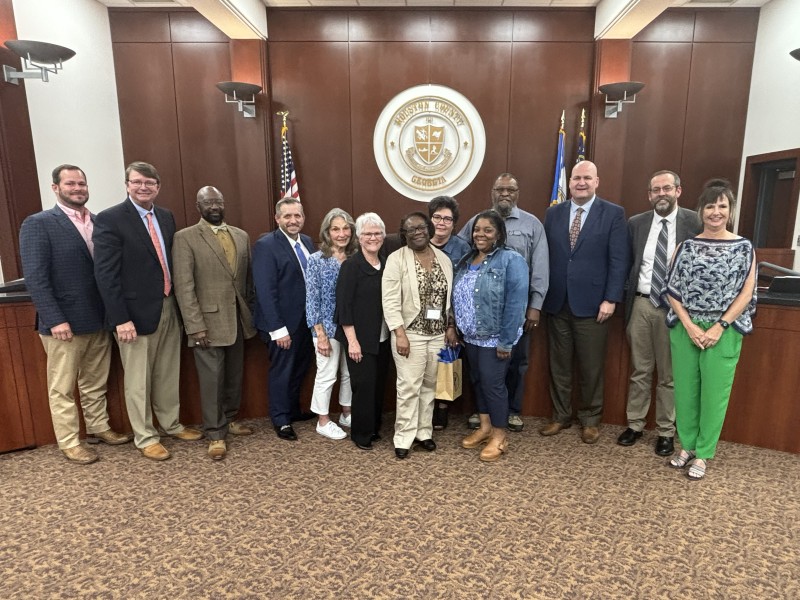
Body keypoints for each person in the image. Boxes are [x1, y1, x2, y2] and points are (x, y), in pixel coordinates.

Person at [19, 164, 132, 464]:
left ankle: (98, 428)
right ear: (55, 187)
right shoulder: (39, 223)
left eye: (81, 183)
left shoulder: (98, 221)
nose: (78, 188)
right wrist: (54, 318)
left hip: (98, 317)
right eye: (70, 184)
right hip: (63, 323)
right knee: (63, 387)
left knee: (95, 381)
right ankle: (69, 442)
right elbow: (36, 277)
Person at [93, 161, 202, 462]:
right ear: (127, 184)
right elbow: (105, 275)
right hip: (132, 315)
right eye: (138, 182)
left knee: (168, 372)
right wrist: (120, 318)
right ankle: (145, 436)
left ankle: (171, 424)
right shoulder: (111, 219)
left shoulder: (166, 217)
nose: (144, 187)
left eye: (150, 183)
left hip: (168, 305)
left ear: (158, 187)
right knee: (138, 379)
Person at [664, 178, 756, 480]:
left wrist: (719, 326)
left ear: (730, 211)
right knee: (686, 392)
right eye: (710, 206)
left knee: (714, 395)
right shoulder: (686, 246)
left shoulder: (743, 248)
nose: (715, 212)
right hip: (686, 328)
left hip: (723, 331)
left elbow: (746, 293)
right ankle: (687, 446)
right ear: (701, 210)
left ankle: (704, 453)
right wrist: (690, 326)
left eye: (722, 206)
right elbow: (672, 289)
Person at [539, 160, 629, 444]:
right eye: (576, 178)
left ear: (596, 182)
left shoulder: (613, 213)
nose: (581, 183)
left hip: (594, 305)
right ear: (569, 183)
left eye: (586, 178)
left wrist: (611, 298)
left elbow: (619, 260)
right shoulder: (553, 214)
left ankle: (590, 420)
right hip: (557, 302)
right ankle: (560, 416)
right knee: (559, 364)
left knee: (591, 366)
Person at [619, 171, 701, 456]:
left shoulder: (694, 221)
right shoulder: (636, 223)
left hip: (675, 308)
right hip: (641, 304)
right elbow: (627, 263)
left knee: (669, 374)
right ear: (649, 194)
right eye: (656, 190)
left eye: (667, 188)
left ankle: (666, 431)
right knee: (640, 370)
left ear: (678, 191)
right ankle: (635, 425)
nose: (661, 194)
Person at [172, 186, 257, 461]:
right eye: (208, 202)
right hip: (205, 324)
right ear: (198, 206)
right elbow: (184, 286)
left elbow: (246, 281)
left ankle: (230, 419)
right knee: (211, 381)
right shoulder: (185, 238)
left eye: (218, 201)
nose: (214, 206)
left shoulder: (241, 236)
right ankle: (215, 434)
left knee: (233, 376)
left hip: (238, 320)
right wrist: (194, 325)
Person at [459, 173, 548, 432]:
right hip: (478, 321)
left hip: (514, 312)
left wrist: (535, 306)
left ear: (518, 192)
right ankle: (485, 415)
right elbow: (462, 251)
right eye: (500, 189)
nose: (505, 194)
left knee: (515, 362)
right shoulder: (477, 221)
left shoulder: (532, 225)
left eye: (511, 189)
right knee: (483, 373)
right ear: (492, 192)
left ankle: (512, 412)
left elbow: (540, 267)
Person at [454, 210, 528, 461]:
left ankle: (499, 436)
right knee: (478, 381)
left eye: (488, 230)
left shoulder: (511, 260)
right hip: (471, 336)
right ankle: (485, 427)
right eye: (477, 229)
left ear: (499, 234)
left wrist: (506, 341)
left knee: (494, 386)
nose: (480, 234)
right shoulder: (467, 259)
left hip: (495, 337)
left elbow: (516, 304)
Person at [383, 212, 457, 459]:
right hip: (409, 334)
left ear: (429, 228)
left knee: (429, 387)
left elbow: (449, 299)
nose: (417, 232)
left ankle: (424, 433)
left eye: (421, 227)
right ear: (403, 234)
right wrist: (399, 333)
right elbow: (390, 300)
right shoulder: (397, 259)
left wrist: (449, 326)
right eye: (410, 229)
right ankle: (403, 436)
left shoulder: (444, 259)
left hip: (437, 335)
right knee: (408, 387)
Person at [253, 196, 316, 441]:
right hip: (281, 324)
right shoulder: (266, 245)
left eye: (297, 215)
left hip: (306, 322)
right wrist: (278, 329)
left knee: (300, 368)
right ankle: (280, 419)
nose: (293, 220)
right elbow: (265, 291)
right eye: (287, 216)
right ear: (277, 218)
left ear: (303, 218)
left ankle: (291, 410)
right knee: (282, 370)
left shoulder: (308, 242)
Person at [335, 213, 390, 451]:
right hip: (359, 339)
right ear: (358, 237)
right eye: (368, 233)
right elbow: (344, 306)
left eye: (377, 233)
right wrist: (352, 342)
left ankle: (374, 428)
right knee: (363, 387)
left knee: (378, 386)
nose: (373, 238)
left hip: (384, 338)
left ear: (384, 236)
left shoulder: (387, 263)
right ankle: (361, 433)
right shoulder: (351, 266)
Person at [306, 208, 358, 440]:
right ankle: (323, 420)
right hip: (326, 327)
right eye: (336, 229)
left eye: (346, 228)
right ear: (327, 232)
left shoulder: (357, 257)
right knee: (327, 374)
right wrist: (320, 335)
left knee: (349, 373)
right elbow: (311, 299)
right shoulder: (316, 260)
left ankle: (347, 413)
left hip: (351, 327)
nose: (341, 233)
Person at [428, 195, 471, 431]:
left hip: (450, 317)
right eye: (437, 217)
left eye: (448, 219)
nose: (442, 223)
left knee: (445, 363)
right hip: (421, 318)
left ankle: (441, 409)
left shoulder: (463, 248)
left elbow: (462, 289)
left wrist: (451, 325)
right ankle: (423, 408)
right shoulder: (417, 242)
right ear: (430, 219)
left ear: (454, 224)